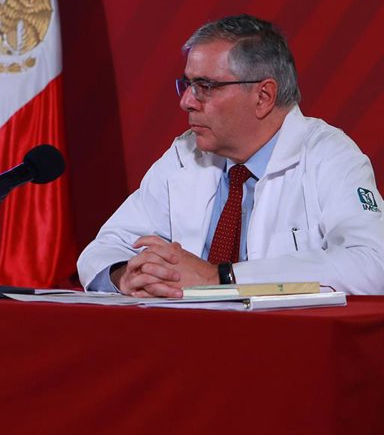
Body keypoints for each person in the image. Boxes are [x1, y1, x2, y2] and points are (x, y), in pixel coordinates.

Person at [78, 15, 384, 296]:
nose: (186, 102)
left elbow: (373, 263)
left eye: (205, 86)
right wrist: (125, 276)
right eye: (188, 85)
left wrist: (221, 277)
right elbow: (104, 248)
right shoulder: (185, 154)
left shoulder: (329, 155)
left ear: (263, 96)